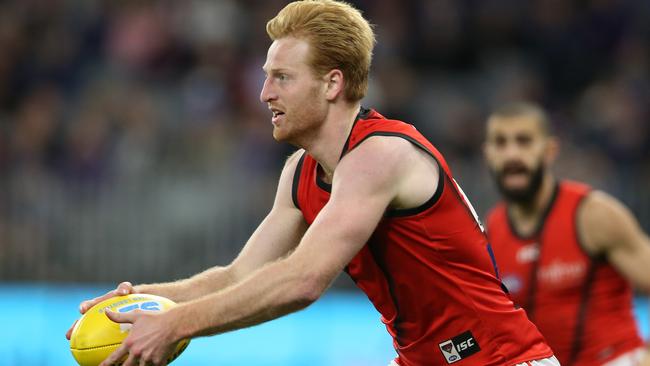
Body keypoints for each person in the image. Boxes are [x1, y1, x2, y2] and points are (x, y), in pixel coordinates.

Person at [67, 2, 558, 365]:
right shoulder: (301, 171)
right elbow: (240, 276)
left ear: (332, 84)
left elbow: (302, 281)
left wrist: (174, 323)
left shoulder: (379, 155)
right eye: (266, 76)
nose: (263, 93)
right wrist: (139, 303)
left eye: (281, 77)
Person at [483, 102, 650, 366]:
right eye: (500, 143)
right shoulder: (491, 231)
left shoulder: (593, 215)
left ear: (550, 151)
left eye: (524, 141)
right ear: (487, 153)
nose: (511, 154)